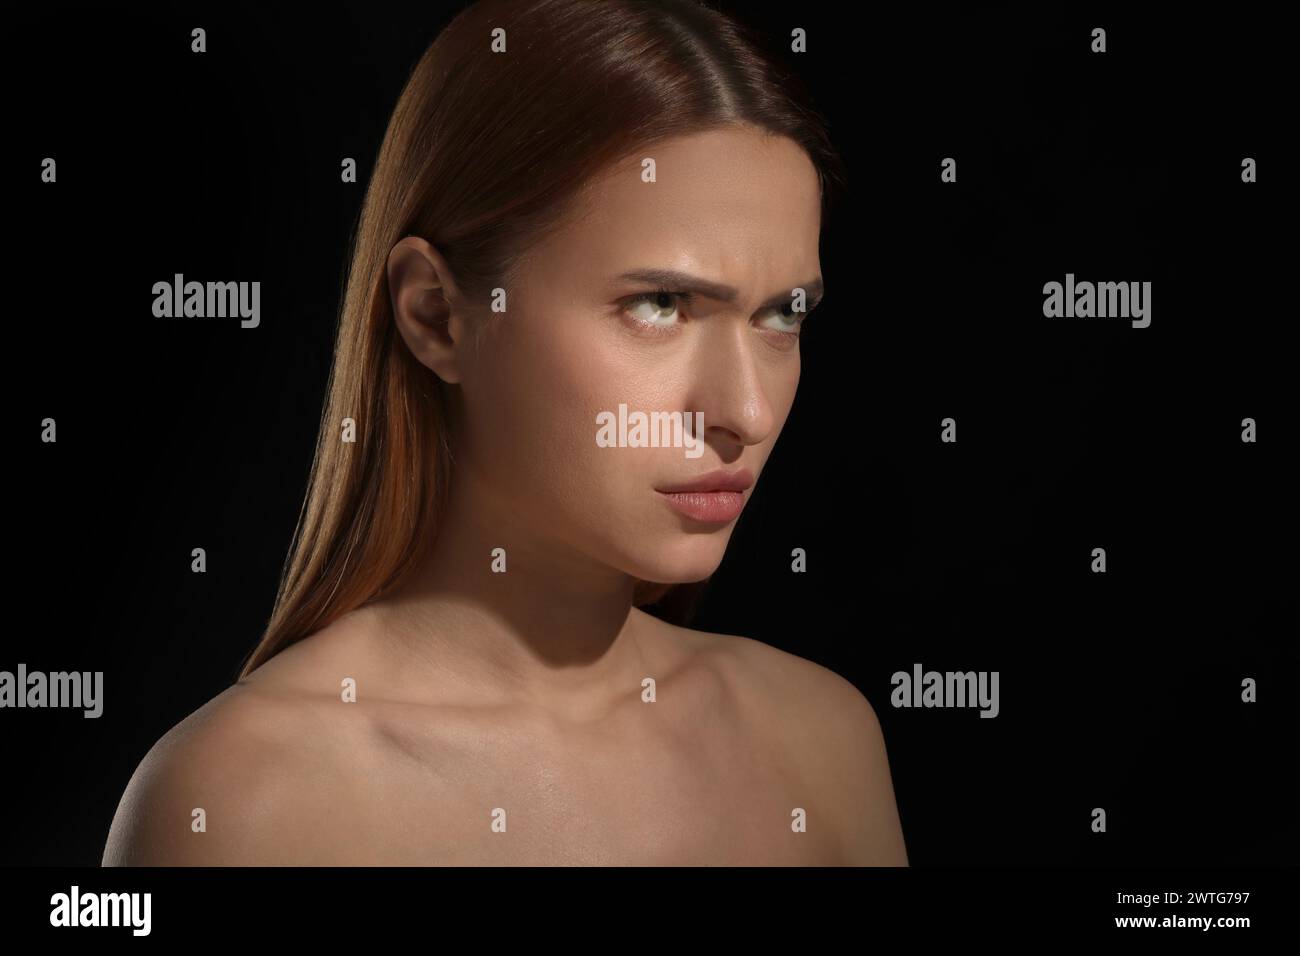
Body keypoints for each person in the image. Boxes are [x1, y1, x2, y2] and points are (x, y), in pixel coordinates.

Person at [102, 0, 907, 866]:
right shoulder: (241, 805)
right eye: (660, 305)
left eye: (782, 315)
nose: (745, 414)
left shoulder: (821, 740)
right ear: (437, 316)